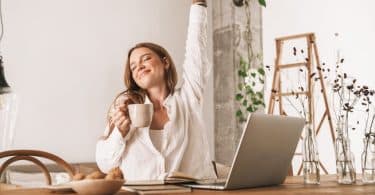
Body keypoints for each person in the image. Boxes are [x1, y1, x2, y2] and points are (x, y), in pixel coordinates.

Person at [96, 0, 216, 181]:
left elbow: (196, 52)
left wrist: (198, 5)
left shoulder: (188, 100)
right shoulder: (126, 107)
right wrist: (119, 133)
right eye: (133, 66)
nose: (139, 67)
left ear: (165, 62)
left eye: (146, 59)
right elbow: (105, 165)